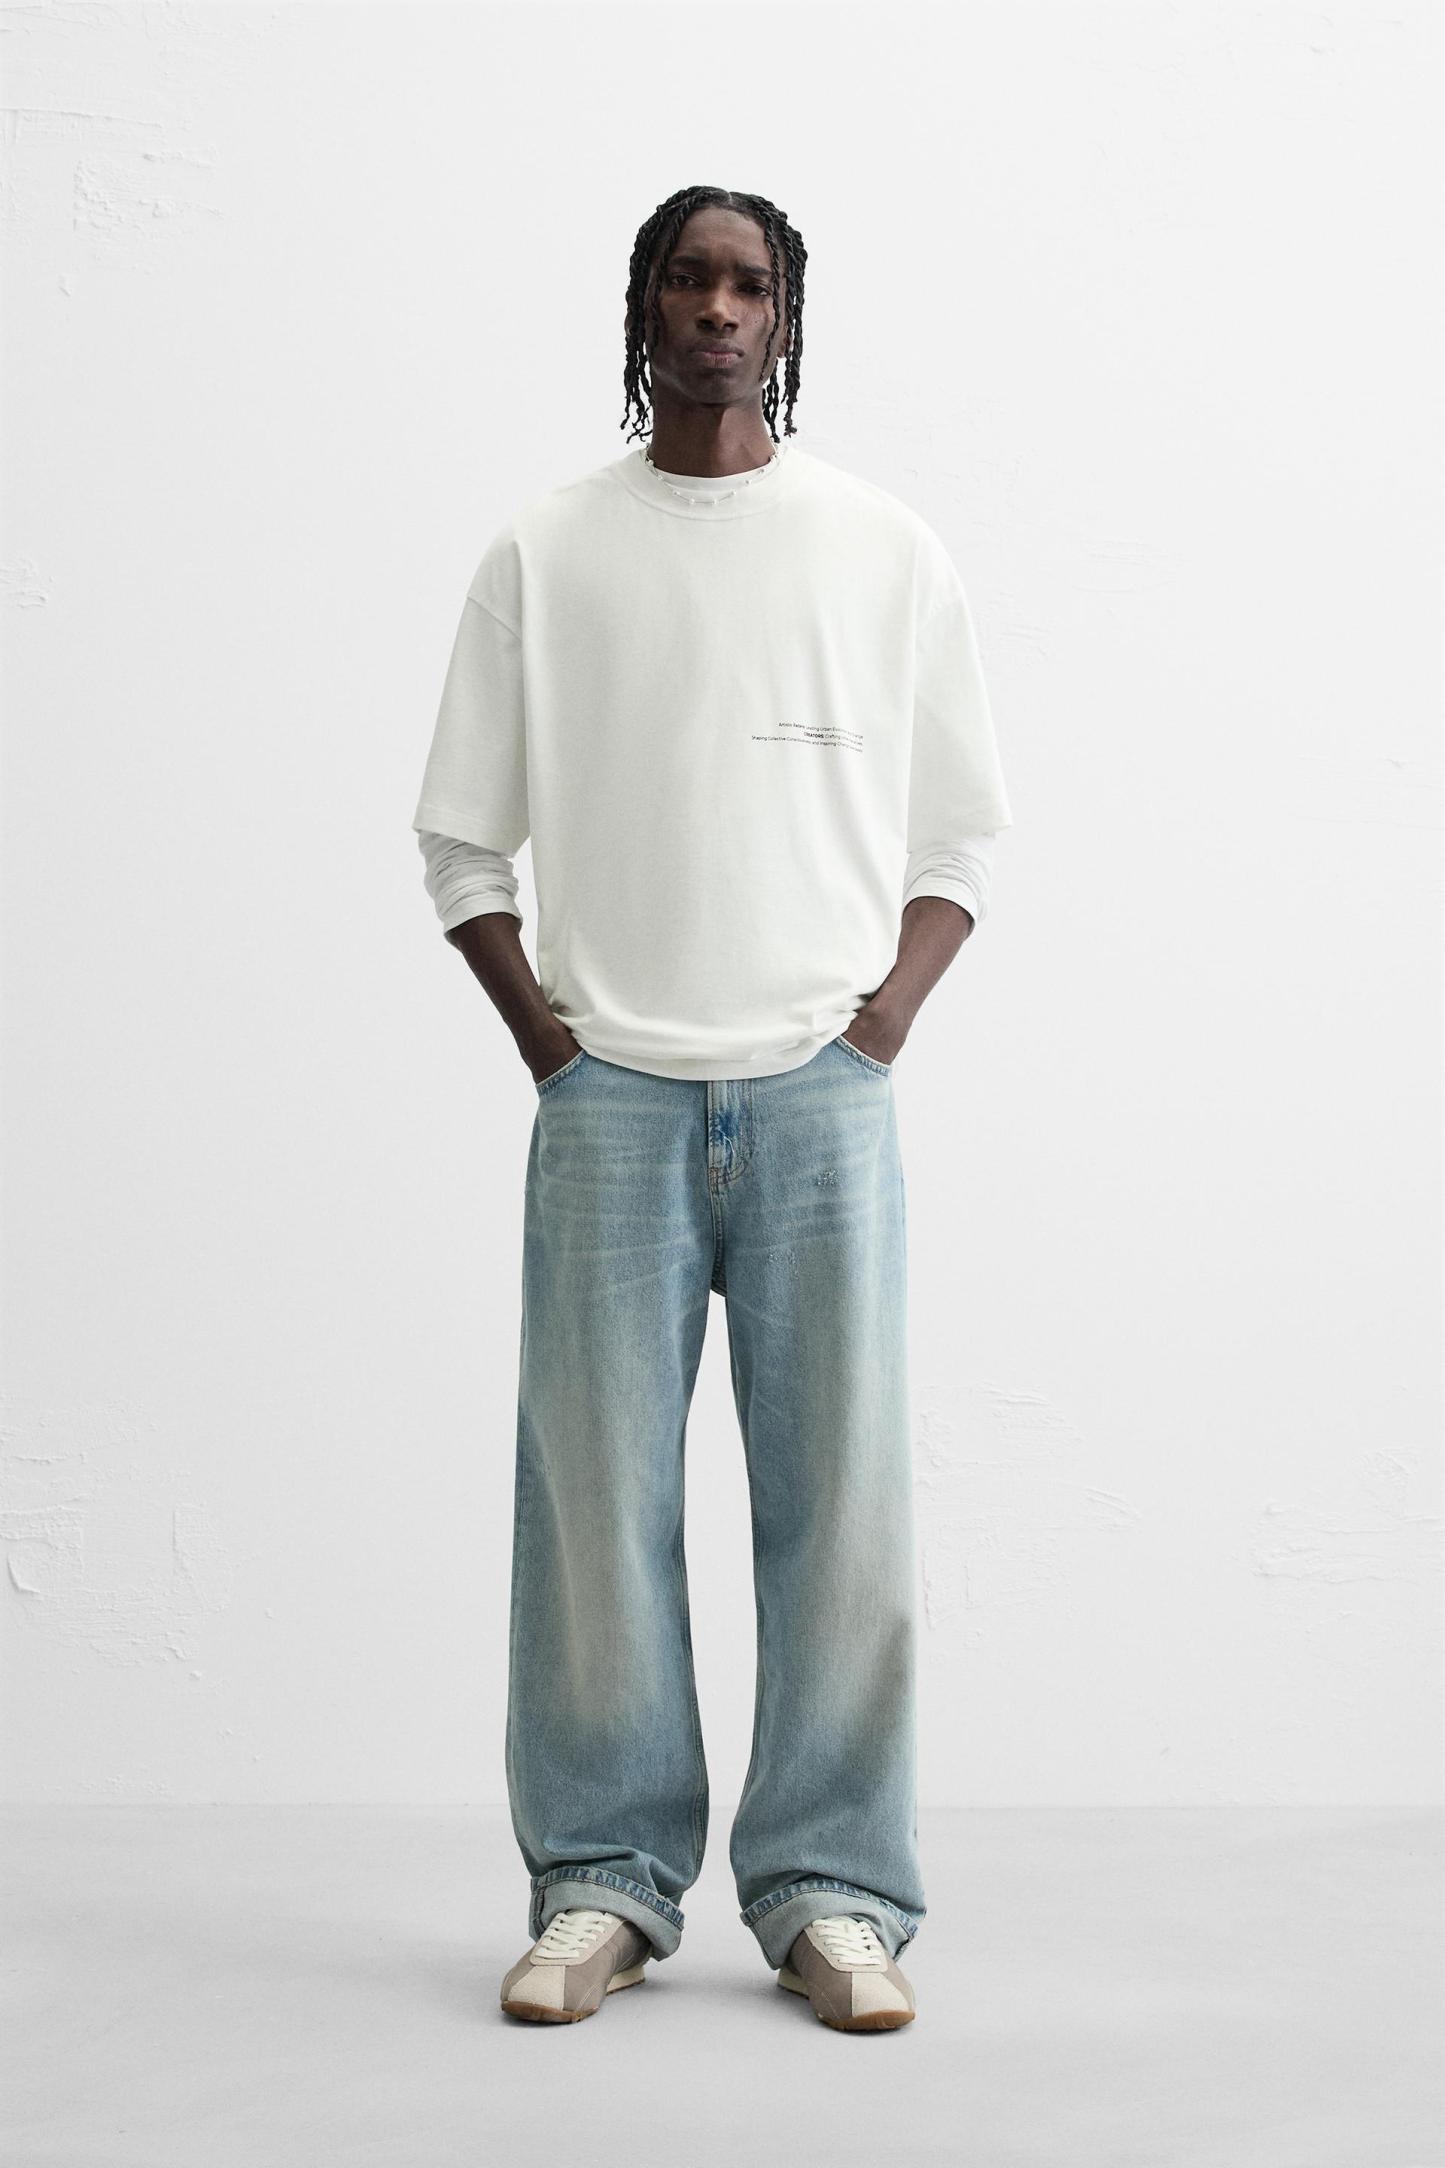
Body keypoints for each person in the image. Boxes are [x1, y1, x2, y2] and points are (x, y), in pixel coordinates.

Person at [411, 185, 1012, 2032]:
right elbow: (461, 842)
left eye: (750, 283)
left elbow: (961, 837)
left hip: (822, 1101)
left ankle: (834, 1893)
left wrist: (877, 1027)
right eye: (688, 277)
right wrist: (554, 1046)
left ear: (786, 318)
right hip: (610, 1106)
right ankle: (600, 1883)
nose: (719, 308)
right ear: (643, 308)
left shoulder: (878, 549)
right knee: (593, 1508)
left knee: (842, 1511)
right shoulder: (548, 551)